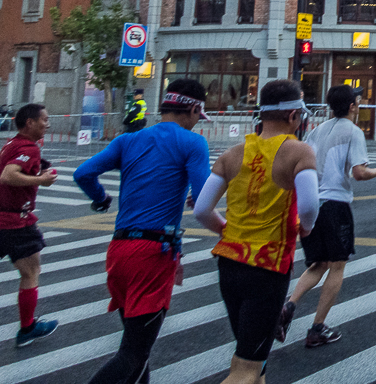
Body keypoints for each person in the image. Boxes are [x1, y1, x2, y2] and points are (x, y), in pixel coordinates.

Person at [73, 80, 211, 382]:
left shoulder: (128, 140)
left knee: (138, 351)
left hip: (119, 252)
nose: (197, 122)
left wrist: (101, 199)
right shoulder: (193, 143)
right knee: (133, 353)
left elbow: (83, 173)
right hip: (152, 255)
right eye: (198, 115)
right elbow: (204, 202)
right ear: (191, 108)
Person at [193, 80, 320, 384]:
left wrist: (226, 230)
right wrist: (306, 228)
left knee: (253, 359)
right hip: (267, 267)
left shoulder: (232, 154)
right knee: (246, 369)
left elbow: (201, 210)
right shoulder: (300, 151)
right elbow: (310, 206)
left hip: (229, 263)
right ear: (293, 115)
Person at [276, 85, 376, 348]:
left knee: (318, 264)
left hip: (313, 203)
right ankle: (317, 328)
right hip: (336, 205)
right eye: (358, 100)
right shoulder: (353, 131)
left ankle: (288, 307)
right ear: (352, 106)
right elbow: (359, 172)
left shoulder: (318, 130)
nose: (360, 102)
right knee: (337, 265)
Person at [0, 103, 58, 347]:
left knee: (29, 270)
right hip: (16, 222)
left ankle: (28, 327)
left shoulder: (11, 144)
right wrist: (40, 180)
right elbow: (8, 175)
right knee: (31, 272)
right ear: (30, 123)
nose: (48, 124)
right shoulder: (28, 148)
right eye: (44, 120)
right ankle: (27, 328)